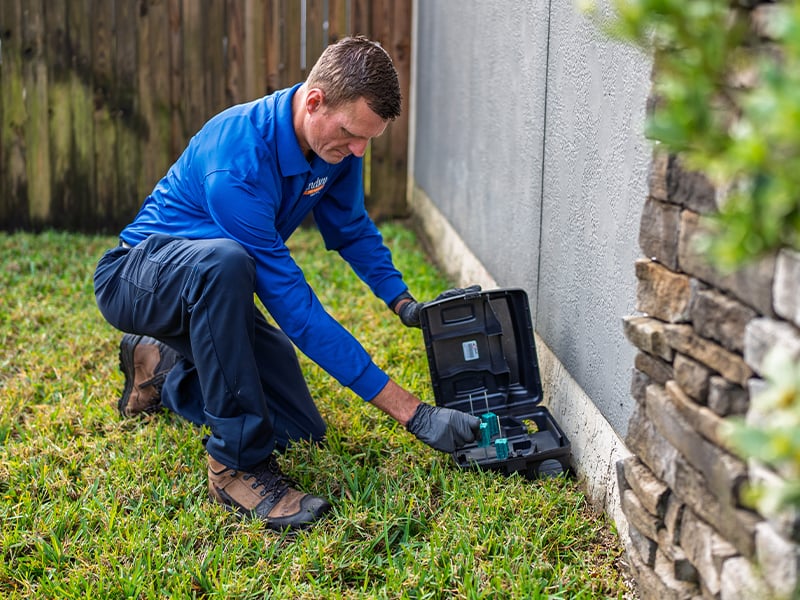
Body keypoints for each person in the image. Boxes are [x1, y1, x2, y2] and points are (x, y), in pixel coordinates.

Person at [93, 35, 481, 531]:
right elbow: (294, 307)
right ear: (314, 101)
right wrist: (415, 414)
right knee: (229, 263)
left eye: (369, 139)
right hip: (138, 277)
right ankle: (234, 465)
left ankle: (162, 367)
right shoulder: (236, 160)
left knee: (298, 429)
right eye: (351, 134)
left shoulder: (335, 147)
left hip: (211, 287)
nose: (358, 149)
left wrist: (402, 302)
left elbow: (352, 228)